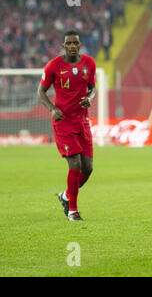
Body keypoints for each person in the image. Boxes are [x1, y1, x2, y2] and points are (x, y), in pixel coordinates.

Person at [37, 30, 97, 221]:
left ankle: (65, 195)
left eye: (75, 43)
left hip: (82, 121)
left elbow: (93, 88)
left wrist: (89, 98)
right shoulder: (53, 65)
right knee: (75, 164)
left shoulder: (89, 63)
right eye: (68, 43)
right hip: (63, 121)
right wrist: (52, 108)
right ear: (63, 46)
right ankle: (73, 210)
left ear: (80, 45)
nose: (72, 46)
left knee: (88, 169)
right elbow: (41, 91)